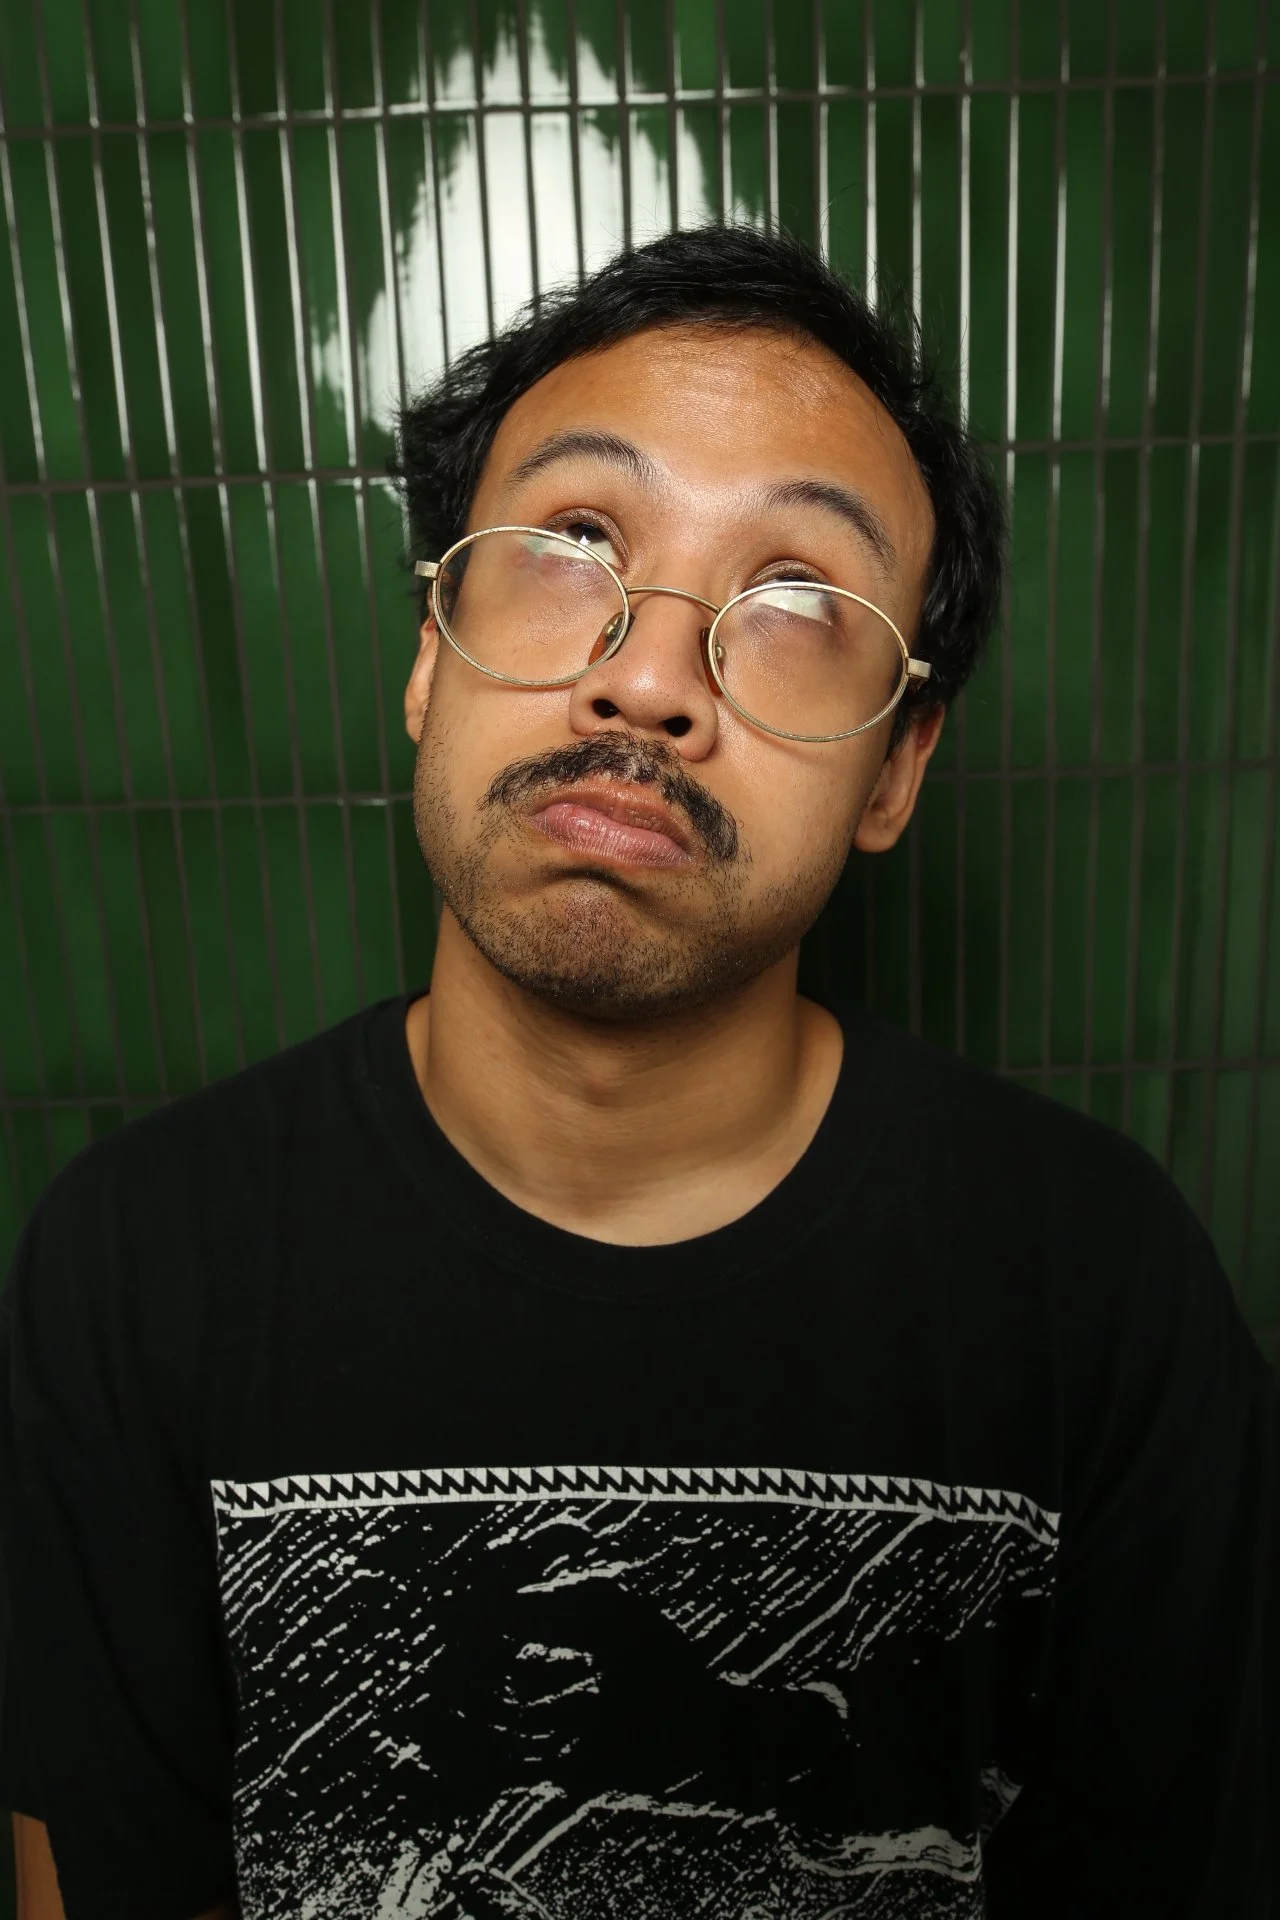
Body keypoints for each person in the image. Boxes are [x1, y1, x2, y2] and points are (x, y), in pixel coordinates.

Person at [0, 223, 1275, 1920]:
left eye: (798, 599)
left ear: (898, 768)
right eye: (576, 541)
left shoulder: (1099, 1291)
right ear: (427, 652)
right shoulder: (131, 1272)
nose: (652, 675)